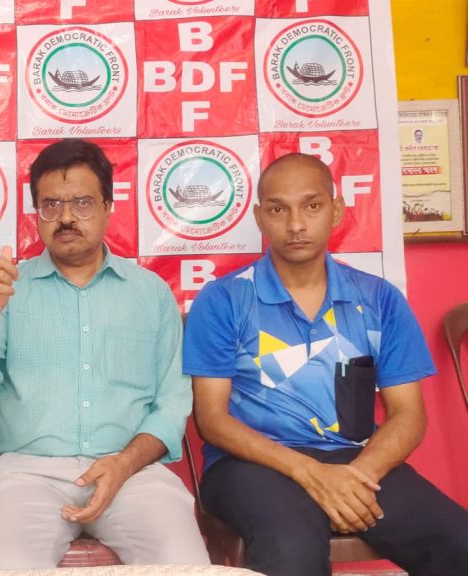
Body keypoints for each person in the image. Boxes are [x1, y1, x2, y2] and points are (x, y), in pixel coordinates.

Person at [183, 152, 468, 576]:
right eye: (278, 209)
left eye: (312, 206)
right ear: (260, 218)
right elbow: (212, 420)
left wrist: (355, 478)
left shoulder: (379, 298)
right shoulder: (223, 299)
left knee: (459, 541)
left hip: (356, 460)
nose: (296, 224)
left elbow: (409, 415)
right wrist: (312, 474)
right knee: (291, 551)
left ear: (336, 211)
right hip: (251, 466)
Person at [0, 139, 209, 569]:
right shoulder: (9, 290)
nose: (66, 217)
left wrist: (123, 465)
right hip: (29, 475)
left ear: (108, 206)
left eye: (82, 203)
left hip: (132, 474)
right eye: (51, 205)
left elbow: (172, 405)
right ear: (36, 213)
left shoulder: (151, 294)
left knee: (186, 566)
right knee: (9, 566)